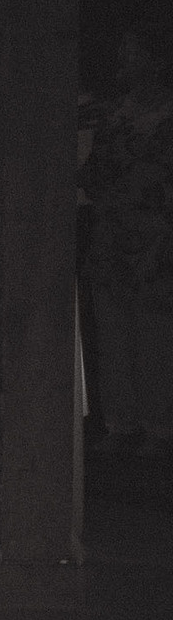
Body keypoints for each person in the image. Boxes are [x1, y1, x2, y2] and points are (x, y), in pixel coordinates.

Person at [84, 22, 173, 456]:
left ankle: (159, 427)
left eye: (132, 49)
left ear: (156, 59)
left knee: (154, 332)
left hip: (155, 236)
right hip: (112, 233)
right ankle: (120, 423)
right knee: (113, 331)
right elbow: (95, 170)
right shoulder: (112, 113)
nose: (122, 57)